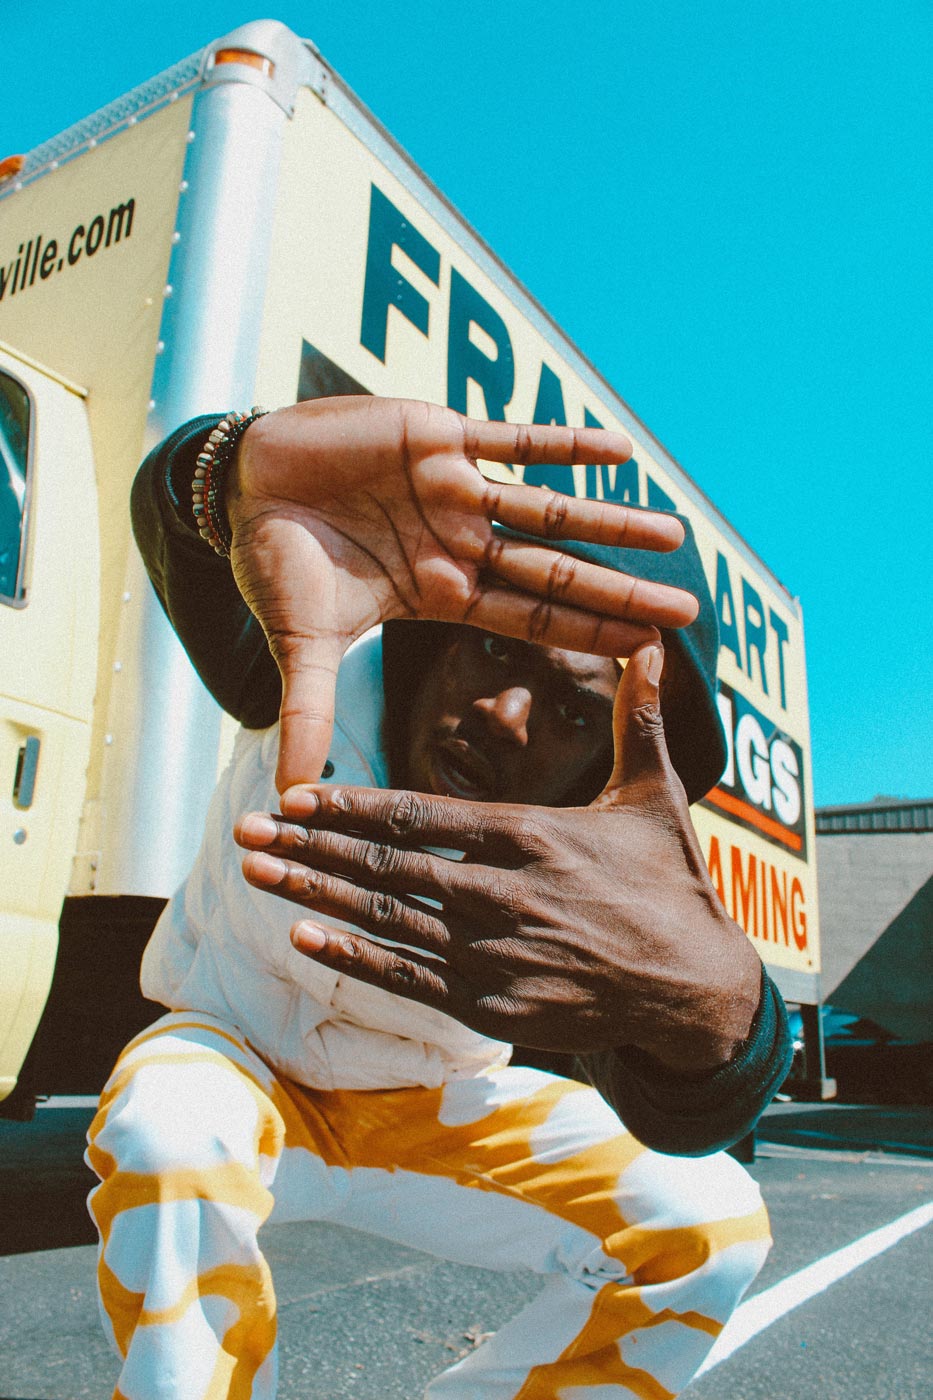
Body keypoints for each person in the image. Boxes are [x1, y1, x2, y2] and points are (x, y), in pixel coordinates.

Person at [86, 397, 791, 1398]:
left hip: (433, 1113)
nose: (505, 716)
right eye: (497, 649)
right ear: (449, 628)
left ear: (605, 760)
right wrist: (222, 463)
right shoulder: (314, 669)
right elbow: (186, 524)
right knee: (165, 1129)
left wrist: (731, 1027)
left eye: (571, 709)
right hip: (237, 1064)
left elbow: (673, 1100)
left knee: (710, 1221)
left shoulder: (580, 867)